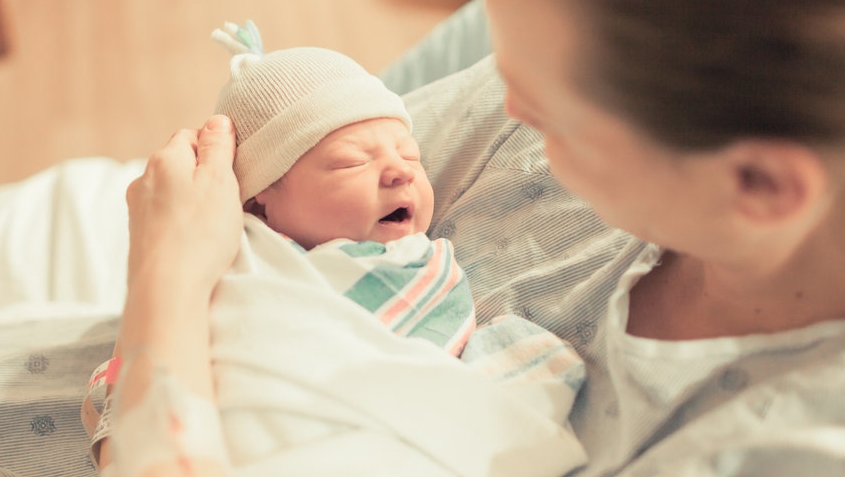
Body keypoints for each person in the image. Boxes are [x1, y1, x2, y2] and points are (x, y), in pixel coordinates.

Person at [111, 0, 845, 476]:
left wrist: (167, 284)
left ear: (758, 184)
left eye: (545, 108)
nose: (505, 108)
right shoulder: (601, 95)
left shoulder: (813, 445)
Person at [87, 24, 588, 477]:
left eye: (410, 154)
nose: (401, 171)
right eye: (351, 163)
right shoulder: (247, 256)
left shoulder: (418, 265)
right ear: (261, 208)